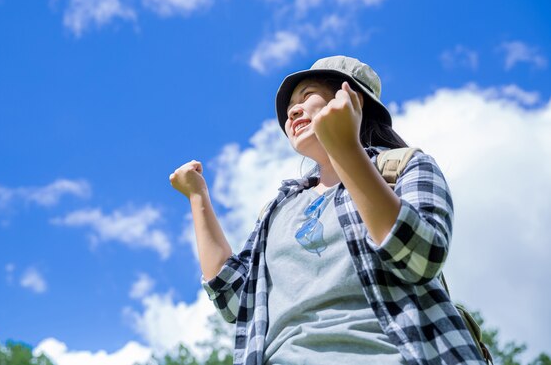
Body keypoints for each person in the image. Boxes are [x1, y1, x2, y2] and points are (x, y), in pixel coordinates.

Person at [169, 56, 485, 365]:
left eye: (308, 96)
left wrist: (345, 149)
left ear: (351, 100)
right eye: (291, 105)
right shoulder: (278, 209)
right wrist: (198, 198)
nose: (292, 110)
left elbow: (420, 258)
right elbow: (235, 301)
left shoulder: (403, 168)